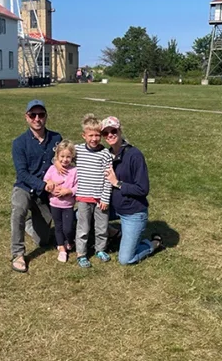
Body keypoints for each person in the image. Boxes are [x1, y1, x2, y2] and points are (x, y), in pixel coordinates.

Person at [10, 99, 63, 273]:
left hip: (45, 194)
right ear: (26, 117)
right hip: (25, 187)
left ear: (46, 116)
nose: (37, 118)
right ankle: (18, 253)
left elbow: (64, 162)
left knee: (43, 241)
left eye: (41, 114)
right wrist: (43, 184)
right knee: (18, 208)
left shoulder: (56, 138)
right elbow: (22, 173)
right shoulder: (19, 143)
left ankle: (29, 225)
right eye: (33, 115)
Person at [102, 116, 161, 265]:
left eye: (113, 130)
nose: (110, 135)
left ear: (120, 131)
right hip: (114, 207)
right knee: (82, 214)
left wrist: (118, 183)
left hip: (133, 212)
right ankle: (115, 233)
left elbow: (143, 188)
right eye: (106, 133)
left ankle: (153, 244)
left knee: (125, 259)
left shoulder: (134, 155)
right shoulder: (106, 155)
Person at [74, 114, 114, 268]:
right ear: (84, 135)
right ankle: (81, 254)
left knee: (102, 227)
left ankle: (100, 249)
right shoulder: (77, 150)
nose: (94, 138)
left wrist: (105, 198)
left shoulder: (105, 154)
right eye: (91, 135)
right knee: (83, 228)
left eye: (97, 135)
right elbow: (62, 157)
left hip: (100, 200)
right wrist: (57, 164)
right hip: (84, 198)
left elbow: (108, 179)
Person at [44, 140, 78, 263]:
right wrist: (50, 186)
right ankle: (61, 249)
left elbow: (78, 187)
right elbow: (46, 180)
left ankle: (69, 241)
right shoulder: (53, 169)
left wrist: (68, 191)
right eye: (62, 156)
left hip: (68, 205)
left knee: (68, 228)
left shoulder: (74, 171)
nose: (65, 160)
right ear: (57, 157)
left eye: (68, 157)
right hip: (54, 204)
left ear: (72, 157)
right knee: (58, 227)